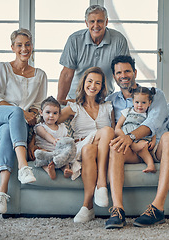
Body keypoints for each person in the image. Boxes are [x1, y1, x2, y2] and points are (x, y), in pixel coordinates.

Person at [105, 55, 169, 229]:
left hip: (155, 147)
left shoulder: (154, 94)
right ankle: (117, 210)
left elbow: (153, 122)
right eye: (118, 72)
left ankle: (157, 208)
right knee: (115, 145)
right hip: (130, 150)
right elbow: (111, 127)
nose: (123, 75)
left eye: (127, 71)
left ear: (135, 72)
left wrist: (130, 136)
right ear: (114, 76)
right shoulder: (110, 101)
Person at [0, 28, 48, 214]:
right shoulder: (3, 67)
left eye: (27, 44)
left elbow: (38, 105)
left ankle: (1, 193)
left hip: (14, 125)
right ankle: (24, 167)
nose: (24, 49)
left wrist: (30, 114)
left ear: (32, 47)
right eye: (19, 45)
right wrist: (21, 112)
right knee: (15, 112)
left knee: (6, 132)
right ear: (12, 47)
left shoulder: (40, 75)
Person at [58, 67, 115, 223]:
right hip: (82, 146)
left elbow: (115, 131)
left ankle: (87, 207)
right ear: (83, 83)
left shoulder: (108, 107)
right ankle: (101, 184)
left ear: (102, 87)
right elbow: (50, 120)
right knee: (90, 146)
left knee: (107, 132)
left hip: (103, 148)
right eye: (89, 81)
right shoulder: (73, 107)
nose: (93, 85)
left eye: (97, 83)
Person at [57, 5, 130, 105]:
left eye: (100, 21)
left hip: (105, 100)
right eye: (92, 21)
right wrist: (59, 103)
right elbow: (66, 74)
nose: (96, 25)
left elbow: (123, 73)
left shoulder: (119, 40)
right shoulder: (74, 40)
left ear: (106, 22)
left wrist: (128, 102)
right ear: (86, 23)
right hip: (77, 99)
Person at [115, 86, 157, 173]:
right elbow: (118, 127)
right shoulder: (127, 111)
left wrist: (153, 140)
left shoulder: (148, 115)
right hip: (126, 137)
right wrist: (124, 137)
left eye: (143, 102)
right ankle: (134, 146)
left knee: (143, 146)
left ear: (149, 103)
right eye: (137, 102)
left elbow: (152, 129)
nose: (140, 105)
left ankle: (150, 165)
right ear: (133, 101)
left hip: (141, 139)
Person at [32, 96, 73, 180]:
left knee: (66, 158)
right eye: (48, 112)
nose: (51, 115)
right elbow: (45, 135)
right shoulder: (40, 127)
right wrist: (54, 140)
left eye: (55, 113)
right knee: (40, 155)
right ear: (41, 112)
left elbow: (67, 139)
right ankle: (49, 170)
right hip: (46, 152)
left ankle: (66, 170)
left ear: (59, 114)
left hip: (58, 154)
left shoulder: (63, 127)